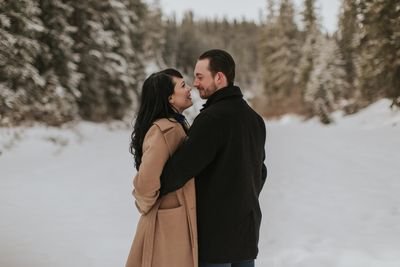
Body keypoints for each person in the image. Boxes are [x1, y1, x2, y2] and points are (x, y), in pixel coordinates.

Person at [159, 49, 267, 267]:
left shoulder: (212, 119)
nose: (195, 83)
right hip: (246, 233)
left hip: (214, 239)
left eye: (200, 76)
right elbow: (260, 172)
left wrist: (152, 187)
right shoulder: (254, 119)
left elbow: (179, 171)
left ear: (219, 77)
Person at [126, 69, 198, 267]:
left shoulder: (176, 125)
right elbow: (146, 184)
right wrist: (149, 206)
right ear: (170, 98)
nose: (189, 88)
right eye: (183, 85)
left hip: (173, 221)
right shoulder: (164, 130)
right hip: (165, 225)